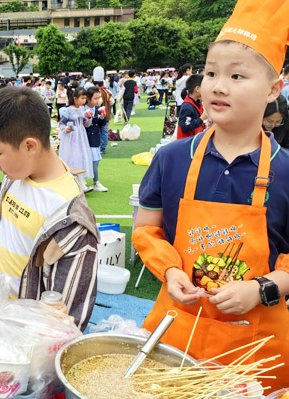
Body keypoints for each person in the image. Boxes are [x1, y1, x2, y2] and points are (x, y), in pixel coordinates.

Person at [132, 0, 289, 390]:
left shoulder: (286, 170)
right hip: (177, 326)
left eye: (237, 76)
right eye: (210, 72)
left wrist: (261, 288)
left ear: (274, 89)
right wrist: (169, 271)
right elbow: (146, 230)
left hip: (254, 343)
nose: (218, 86)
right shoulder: (171, 158)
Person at [0, 86, 99, 330]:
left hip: (25, 335)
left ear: (30, 146)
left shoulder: (70, 216)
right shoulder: (15, 174)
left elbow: (66, 317)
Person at [58, 87, 93, 192]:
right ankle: (72, 183)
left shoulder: (84, 109)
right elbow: (61, 124)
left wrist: (89, 118)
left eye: (85, 98)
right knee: (72, 157)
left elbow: (86, 124)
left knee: (80, 157)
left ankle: (81, 182)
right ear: (75, 98)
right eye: (82, 98)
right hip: (71, 137)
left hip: (81, 136)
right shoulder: (67, 110)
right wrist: (65, 129)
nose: (84, 101)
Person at [84, 87, 108, 192]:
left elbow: (101, 124)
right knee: (93, 161)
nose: (97, 100)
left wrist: (102, 117)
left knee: (96, 161)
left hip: (95, 137)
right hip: (87, 138)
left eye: (98, 98)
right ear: (88, 99)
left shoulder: (97, 108)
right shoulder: (83, 109)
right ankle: (95, 182)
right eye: (95, 98)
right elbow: (85, 125)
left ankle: (94, 182)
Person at [176, 74, 208, 140]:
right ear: (197, 89)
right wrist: (201, 119)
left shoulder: (197, 102)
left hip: (194, 140)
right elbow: (185, 127)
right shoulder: (187, 106)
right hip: (186, 144)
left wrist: (204, 124)